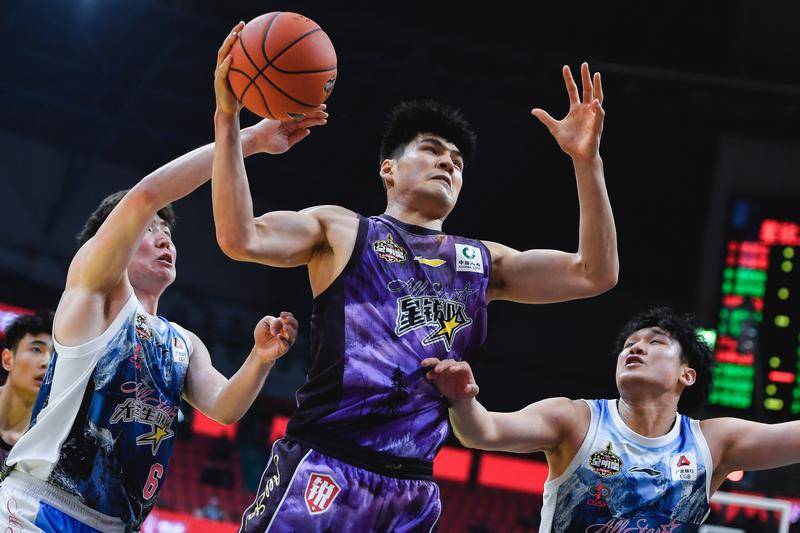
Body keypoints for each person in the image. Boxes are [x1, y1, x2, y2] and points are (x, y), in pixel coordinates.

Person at [211, 24, 617, 531]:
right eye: (430, 149)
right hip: (326, 463)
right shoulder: (342, 230)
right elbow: (241, 237)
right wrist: (228, 119)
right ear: (388, 169)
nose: (447, 162)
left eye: (457, 162)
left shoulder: (481, 261)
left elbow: (594, 273)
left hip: (412, 490)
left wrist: (587, 162)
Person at [0, 23, 322, 533]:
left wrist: (261, 359)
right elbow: (146, 195)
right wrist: (247, 136)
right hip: (39, 510)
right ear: (112, 243)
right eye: (150, 231)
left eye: (167, 232)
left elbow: (224, 408)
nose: (164, 239)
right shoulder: (97, 293)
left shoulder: (182, 343)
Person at [424, 307, 800, 532]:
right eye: (629, 344)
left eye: (655, 342)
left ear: (686, 374)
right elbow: (484, 431)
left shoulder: (713, 443)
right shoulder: (575, 419)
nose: (636, 347)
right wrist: (462, 400)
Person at [0, 312, 54, 464]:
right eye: (37, 349)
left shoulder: (49, 445)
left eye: (54, 356)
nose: (47, 362)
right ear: (8, 360)